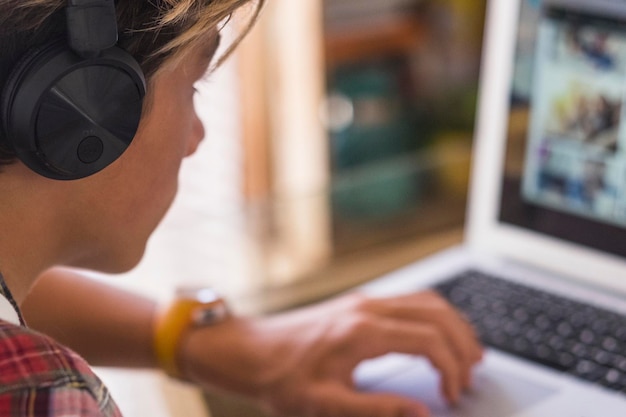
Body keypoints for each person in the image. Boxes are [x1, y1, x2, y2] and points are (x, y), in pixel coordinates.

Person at [0, 1, 483, 416]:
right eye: (192, 87)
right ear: (86, 113)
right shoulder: (41, 392)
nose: (197, 139)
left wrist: (212, 344)